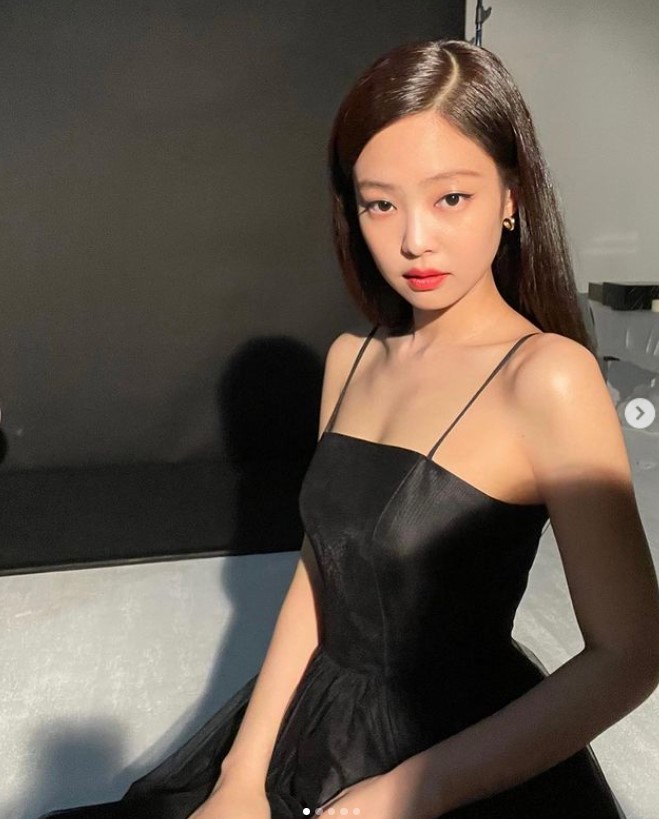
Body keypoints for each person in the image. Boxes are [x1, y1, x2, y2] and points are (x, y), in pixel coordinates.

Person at [40, 38, 659, 819]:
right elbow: (321, 572)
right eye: (380, 203)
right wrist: (240, 773)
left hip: (456, 753)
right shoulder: (352, 358)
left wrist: (410, 792)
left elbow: (629, 655)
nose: (413, 239)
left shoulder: (546, 377)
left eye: (450, 197)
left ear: (511, 196)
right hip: (316, 719)